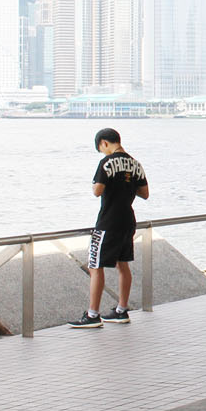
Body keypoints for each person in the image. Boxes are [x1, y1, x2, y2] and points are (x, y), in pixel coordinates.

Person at [72, 128, 149, 329]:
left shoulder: (106, 163)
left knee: (94, 265)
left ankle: (92, 315)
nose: (103, 152)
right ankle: (121, 310)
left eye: (101, 148)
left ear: (104, 143)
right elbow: (145, 193)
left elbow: (97, 191)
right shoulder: (135, 163)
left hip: (108, 221)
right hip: (128, 220)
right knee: (123, 264)